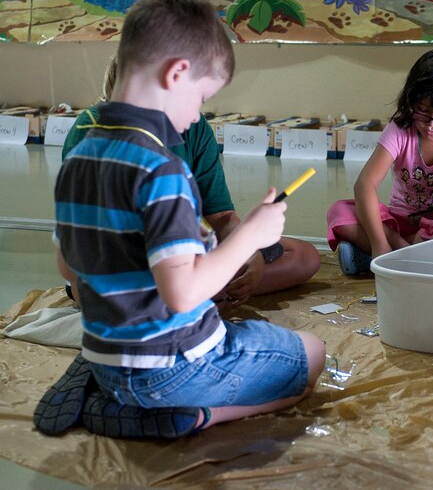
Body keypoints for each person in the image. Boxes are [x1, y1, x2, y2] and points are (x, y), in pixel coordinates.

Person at [40, 0, 326, 439]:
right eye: (201, 98)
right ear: (178, 74)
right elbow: (183, 294)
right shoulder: (161, 168)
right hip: (172, 368)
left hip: (106, 356)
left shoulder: (82, 154)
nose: (196, 117)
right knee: (312, 355)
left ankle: (115, 394)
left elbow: (67, 266)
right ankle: (192, 416)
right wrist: (249, 237)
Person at [62, 55, 320, 307]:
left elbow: (221, 217)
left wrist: (250, 251)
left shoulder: (193, 128)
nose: (194, 115)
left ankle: (189, 293)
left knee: (303, 256)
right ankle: (189, 293)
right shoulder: (94, 136)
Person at [327, 48, 433, 275]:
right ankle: (401, 255)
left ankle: (388, 259)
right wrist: (379, 243)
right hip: (400, 224)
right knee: (340, 211)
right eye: (423, 112)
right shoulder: (401, 129)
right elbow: (364, 184)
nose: (432, 125)